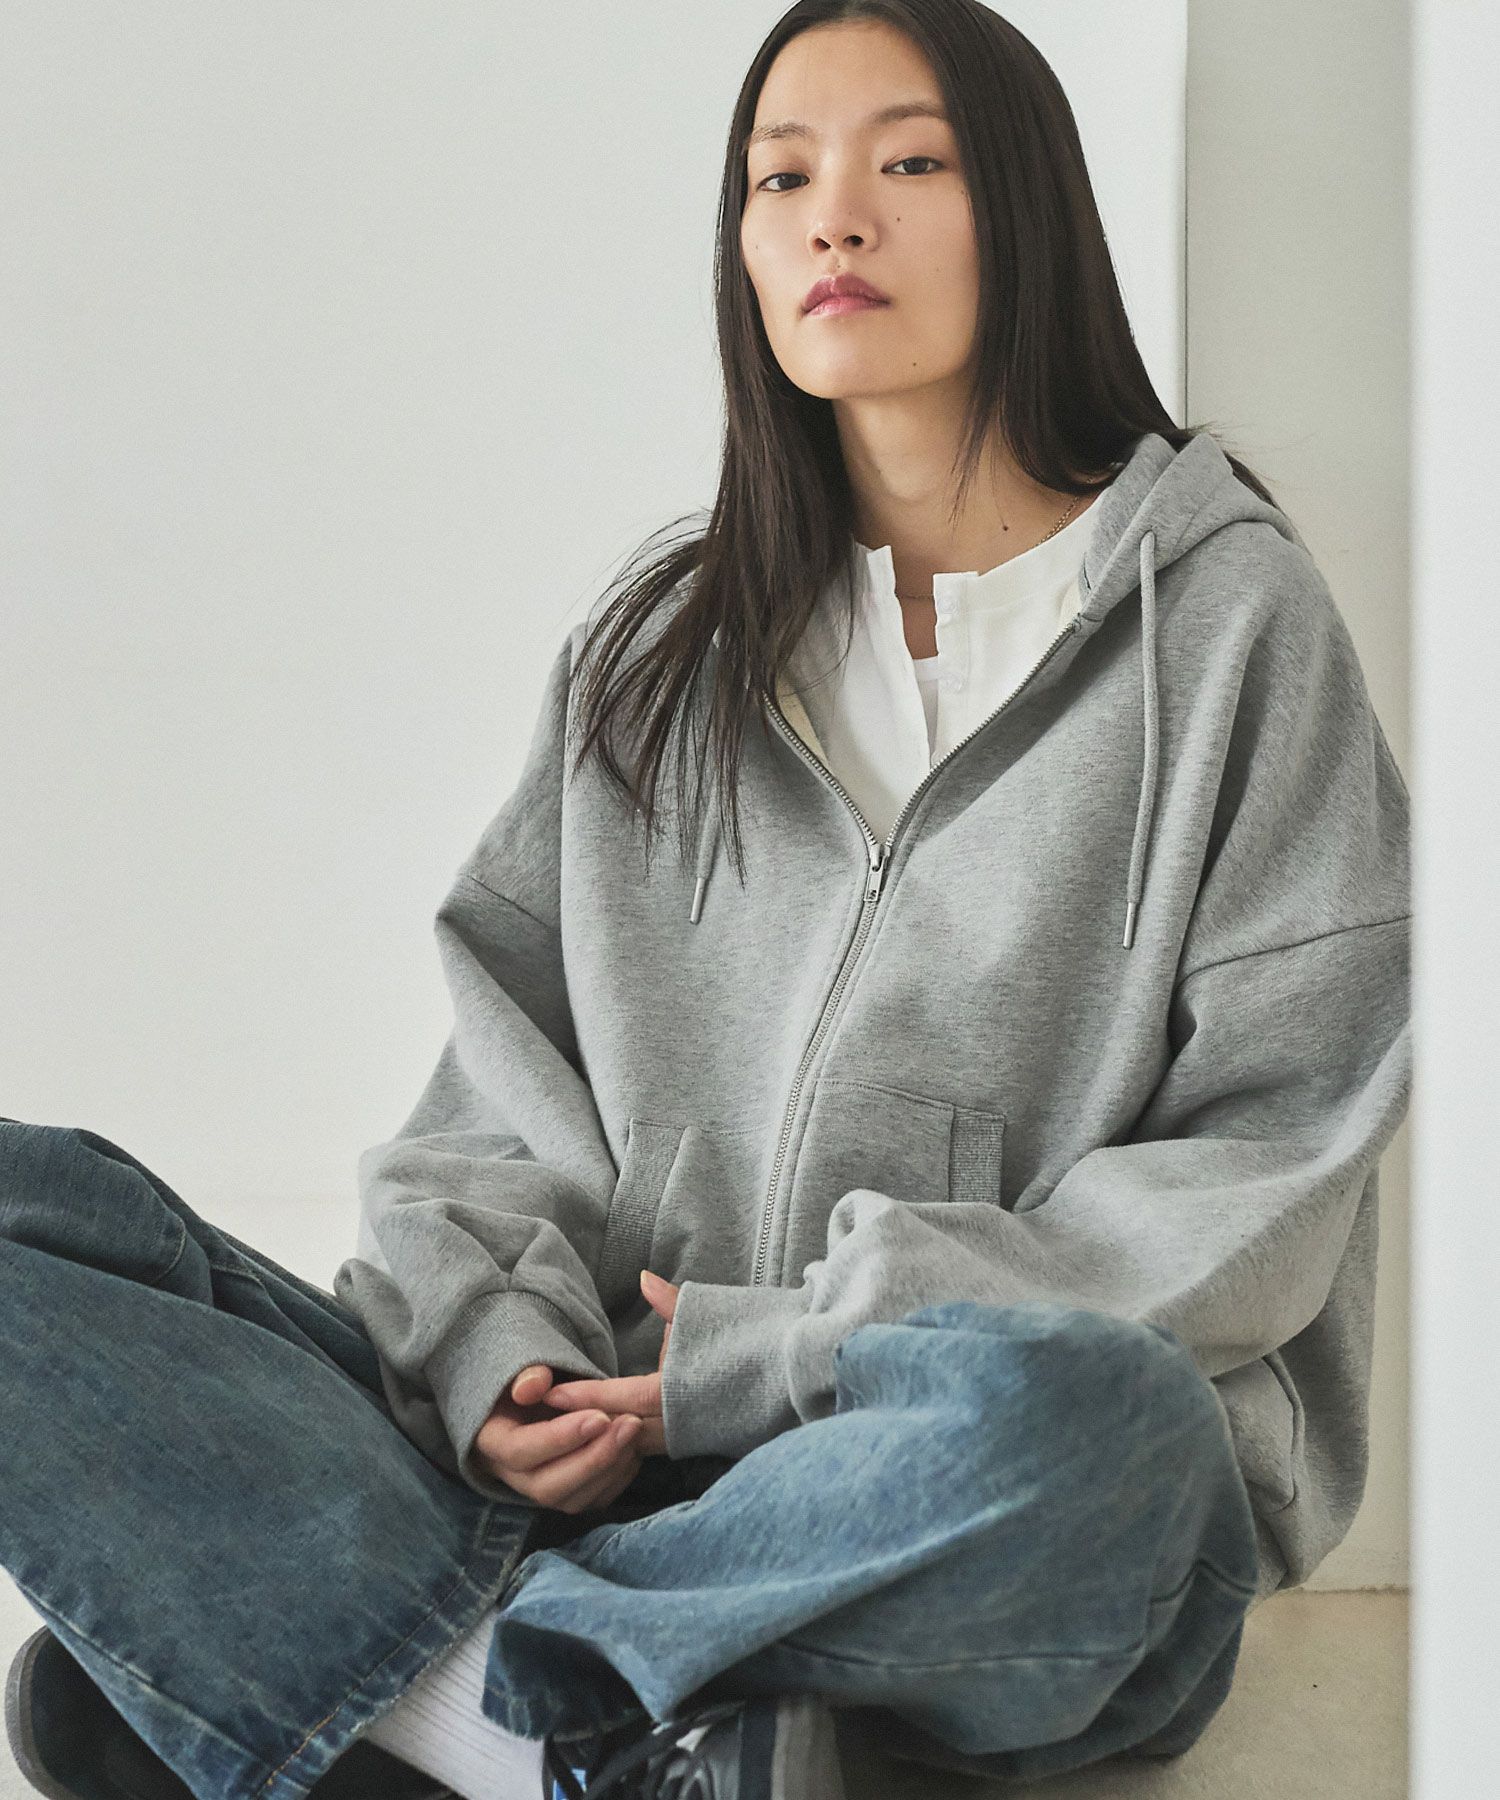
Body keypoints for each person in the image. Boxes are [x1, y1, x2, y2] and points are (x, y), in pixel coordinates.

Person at [1, 2, 1411, 1798]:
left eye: (911, 162)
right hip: (600, 1467)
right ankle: (635, 1727)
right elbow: (489, 1111)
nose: (836, 220)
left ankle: (404, 1681)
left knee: (1101, 1423)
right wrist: (504, 1362)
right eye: (779, 179)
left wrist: (769, 1365)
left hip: (938, 1486)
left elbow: (1269, 1169)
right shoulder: (661, 650)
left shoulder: (1229, 632)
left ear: (1032, 209)